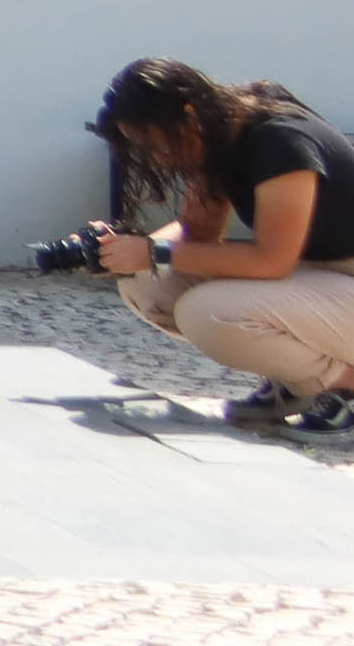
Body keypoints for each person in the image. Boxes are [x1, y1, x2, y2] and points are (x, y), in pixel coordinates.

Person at [85, 58, 354, 431]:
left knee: (208, 313)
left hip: (339, 275)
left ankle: (341, 385)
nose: (159, 158)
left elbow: (272, 261)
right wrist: (116, 249)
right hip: (326, 277)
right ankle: (300, 381)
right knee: (145, 281)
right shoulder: (222, 130)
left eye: (159, 145)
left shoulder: (280, 142)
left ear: (189, 115)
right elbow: (198, 233)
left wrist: (150, 253)